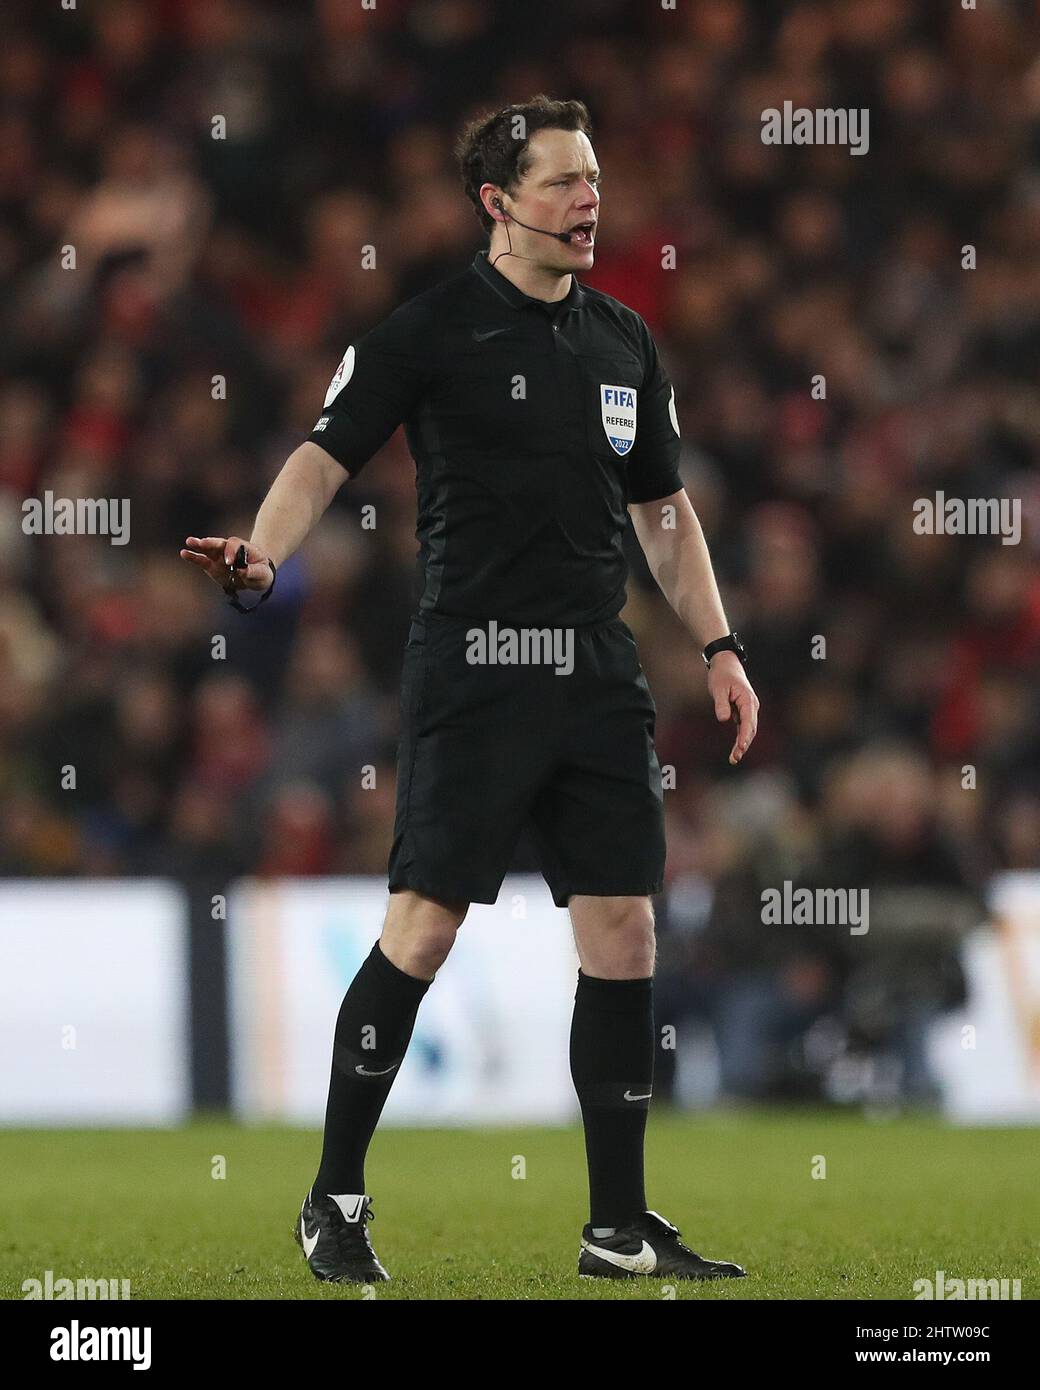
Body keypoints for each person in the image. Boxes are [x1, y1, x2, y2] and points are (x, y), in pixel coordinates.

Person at [180, 95, 758, 1284]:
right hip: (474, 665)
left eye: (593, 177)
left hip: (595, 670)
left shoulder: (622, 342)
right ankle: (333, 1198)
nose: (588, 199)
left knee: (624, 929)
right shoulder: (430, 330)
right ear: (498, 203)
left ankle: (616, 1224)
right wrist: (262, 555)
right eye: (560, 182)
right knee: (425, 927)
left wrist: (717, 644)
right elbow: (321, 453)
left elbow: (662, 512)